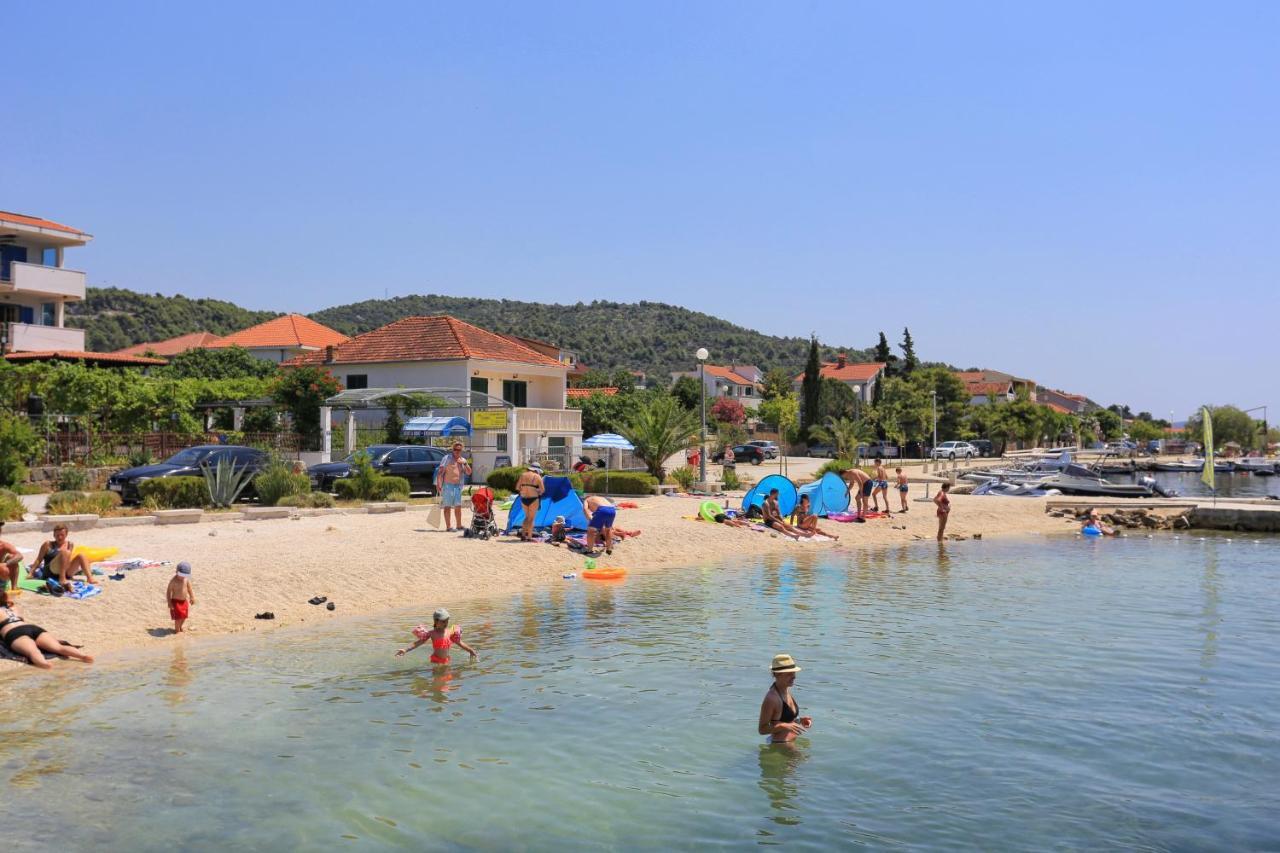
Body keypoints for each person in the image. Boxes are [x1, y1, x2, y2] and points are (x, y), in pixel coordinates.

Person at [0, 588, 94, 669]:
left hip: (14, 633)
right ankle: (82, 656)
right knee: (59, 647)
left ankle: (45, 664)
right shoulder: (14, 608)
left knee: (33, 652)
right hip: (32, 628)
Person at [758, 653, 813, 743]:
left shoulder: (785, 690)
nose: (794, 677)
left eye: (794, 673)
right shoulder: (771, 698)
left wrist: (799, 720)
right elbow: (762, 729)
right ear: (778, 675)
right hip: (781, 746)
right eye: (789, 674)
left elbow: (783, 719)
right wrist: (783, 726)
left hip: (790, 743)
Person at [397, 608, 478, 665]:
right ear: (436, 621)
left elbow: (459, 642)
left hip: (446, 661)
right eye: (443, 622)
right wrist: (405, 650)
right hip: (436, 661)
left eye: (446, 621)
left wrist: (470, 650)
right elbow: (418, 643)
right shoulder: (432, 633)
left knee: (446, 682)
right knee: (438, 682)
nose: (445, 624)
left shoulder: (450, 631)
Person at [31, 524, 94, 590]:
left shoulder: (70, 544)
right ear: (54, 535)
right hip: (50, 571)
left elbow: (67, 560)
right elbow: (39, 559)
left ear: (66, 535)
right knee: (65, 552)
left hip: (65, 571)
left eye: (62, 535)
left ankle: (90, 578)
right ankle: (62, 578)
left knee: (81, 555)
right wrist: (31, 573)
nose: (60, 537)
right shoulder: (48, 544)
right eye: (57, 535)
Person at [435, 442, 473, 533]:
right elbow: (440, 472)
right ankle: (448, 527)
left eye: (459, 450)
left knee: (458, 507)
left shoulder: (462, 460)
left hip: (458, 486)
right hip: (448, 485)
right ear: (453, 450)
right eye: (455, 449)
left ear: (461, 450)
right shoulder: (447, 458)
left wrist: (465, 463)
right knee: (447, 506)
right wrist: (438, 484)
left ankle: (459, 525)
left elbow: (469, 472)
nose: (457, 451)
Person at [515, 464, 546, 542]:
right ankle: (529, 537)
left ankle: (523, 535)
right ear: (536, 470)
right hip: (533, 498)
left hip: (524, 498)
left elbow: (517, 487)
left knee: (527, 517)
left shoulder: (523, 475)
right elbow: (542, 490)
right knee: (531, 518)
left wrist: (524, 489)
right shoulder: (537, 477)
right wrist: (536, 490)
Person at [166, 562, 196, 634]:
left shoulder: (186, 580)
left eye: (185, 575)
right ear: (176, 572)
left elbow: (189, 589)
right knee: (178, 618)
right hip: (176, 602)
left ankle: (180, 626)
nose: (182, 577)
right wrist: (169, 602)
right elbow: (168, 591)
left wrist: (192, 597)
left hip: (184, 601)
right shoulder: (173, 581)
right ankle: (177, 630)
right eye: (181, 575)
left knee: (184, 616)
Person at [0, 521, 22, 592]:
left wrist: (6, 563)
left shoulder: (3, 545)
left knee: (12, 558)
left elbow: (19, 555)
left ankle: (14, 588)